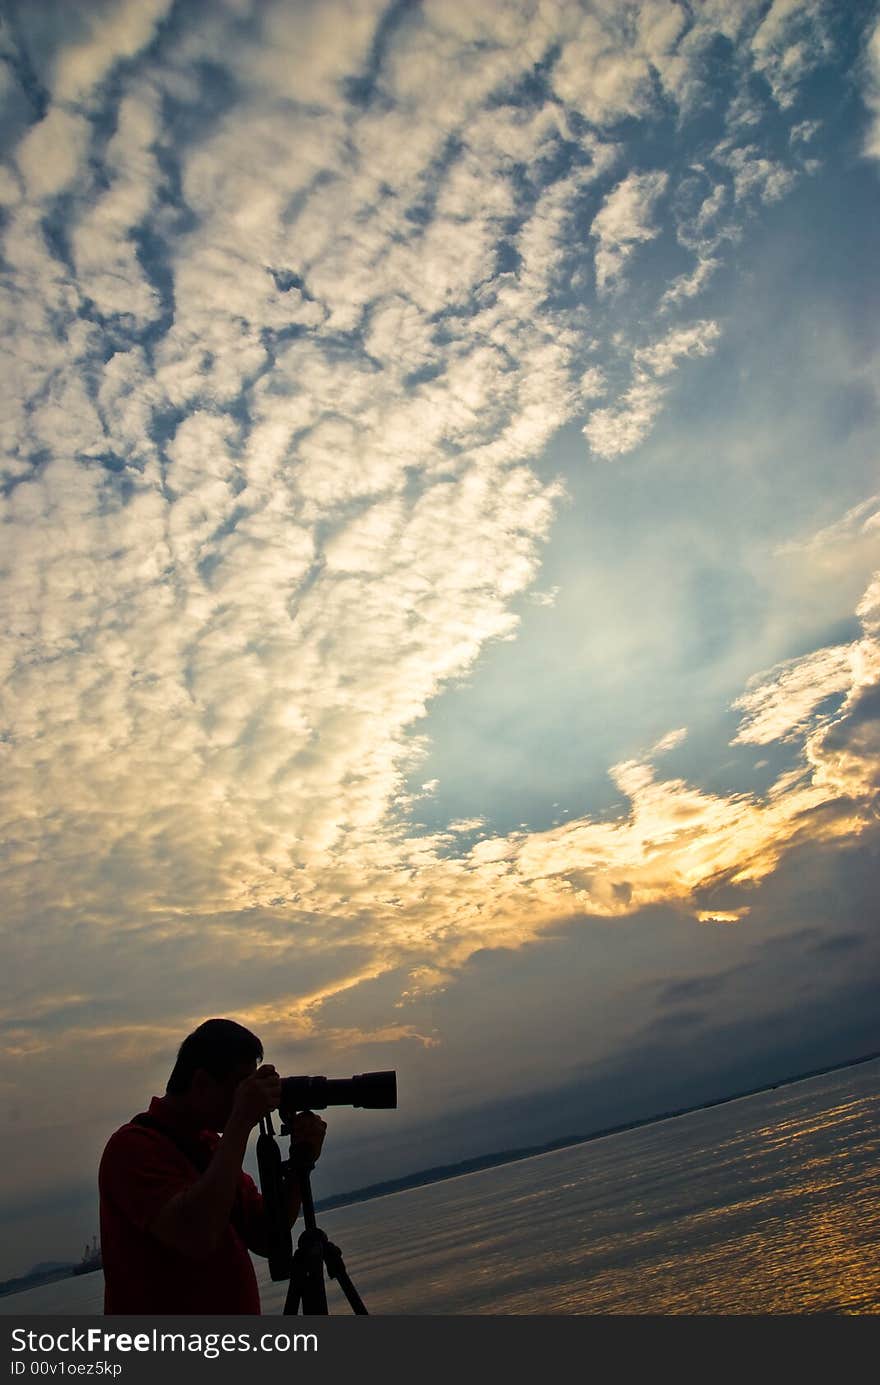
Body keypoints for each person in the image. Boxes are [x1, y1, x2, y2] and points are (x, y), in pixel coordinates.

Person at [99, 1018, 326, 1314]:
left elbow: (267, 1235)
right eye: (241, 1087)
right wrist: (241, 1122)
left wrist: (300, 1165)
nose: (249, 1098)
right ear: (202, 1083)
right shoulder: (131, 1149)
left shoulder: (210, 1146)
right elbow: (196, 1233)